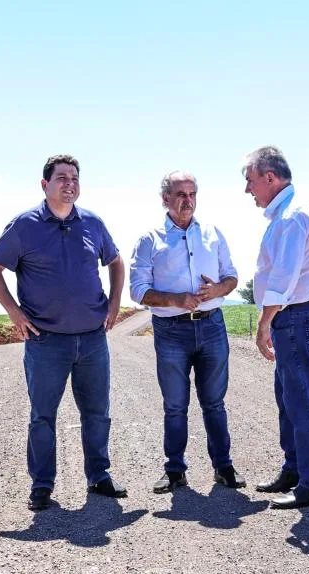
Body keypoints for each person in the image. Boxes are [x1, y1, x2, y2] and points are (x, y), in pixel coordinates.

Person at [0, 154, 127, 511]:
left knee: (97, 412)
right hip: (45, 341)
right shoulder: (24, 225)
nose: (69, 184)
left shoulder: (92, 223)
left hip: (92, 339)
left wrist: (113, 305)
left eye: (74, 177)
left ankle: (99, 476)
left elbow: (116, 261)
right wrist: (15, 313)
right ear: (44, 184)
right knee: (43, 416)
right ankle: (42, 486)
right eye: (61, 177)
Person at [129, 171, 244, 493]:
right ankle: (175, 471)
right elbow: (137, 291)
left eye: (192, 193)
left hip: (212, 326)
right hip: (170, 331)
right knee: (175, 405)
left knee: (214, 403)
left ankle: (224, 468)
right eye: (180, 194)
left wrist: (220, 287)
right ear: (165, 198)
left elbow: (232, 276)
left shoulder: (212, 233)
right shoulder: (149, 239)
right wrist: (175, 299)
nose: (187, 200)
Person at [242, 146, 309, 509]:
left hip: (297, 315)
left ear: (269, 178)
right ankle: (295, 470)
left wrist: (265, 322)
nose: (248, 189)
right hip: (297, 316)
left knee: (303, 400)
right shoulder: (290, 215)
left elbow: (283, 278)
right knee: (289, 397)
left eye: (250, 181)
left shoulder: (291, 218)